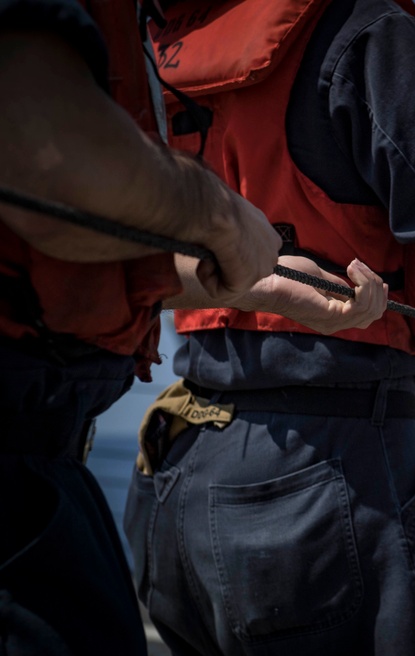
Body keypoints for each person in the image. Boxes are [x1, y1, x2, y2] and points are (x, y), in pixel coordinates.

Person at [124, 2, 415, 655]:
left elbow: (114, 255)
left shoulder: (149, 44)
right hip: (330, 465)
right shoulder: (362, 30)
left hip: (179, 462)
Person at [0, 1, 283, 653]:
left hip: (48, 474)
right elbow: (49, 162)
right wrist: (219, 215)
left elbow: (78, 254)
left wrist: (277, 292)